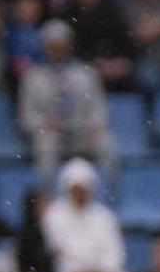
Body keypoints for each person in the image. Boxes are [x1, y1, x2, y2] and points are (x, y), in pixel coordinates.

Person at [19, 20, 112, 184]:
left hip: (81, 129)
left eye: (61, 45)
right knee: (46, 144)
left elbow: (98, 108)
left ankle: (109, 196)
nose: (57, 50)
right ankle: (47, 198)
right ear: (45, 46)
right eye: (52, 45)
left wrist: (94, 125)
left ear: (69, 45)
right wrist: (43, 124)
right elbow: (27, 115)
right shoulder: (33, 77)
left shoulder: (86, 73)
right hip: (51, 131)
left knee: (107, 142)